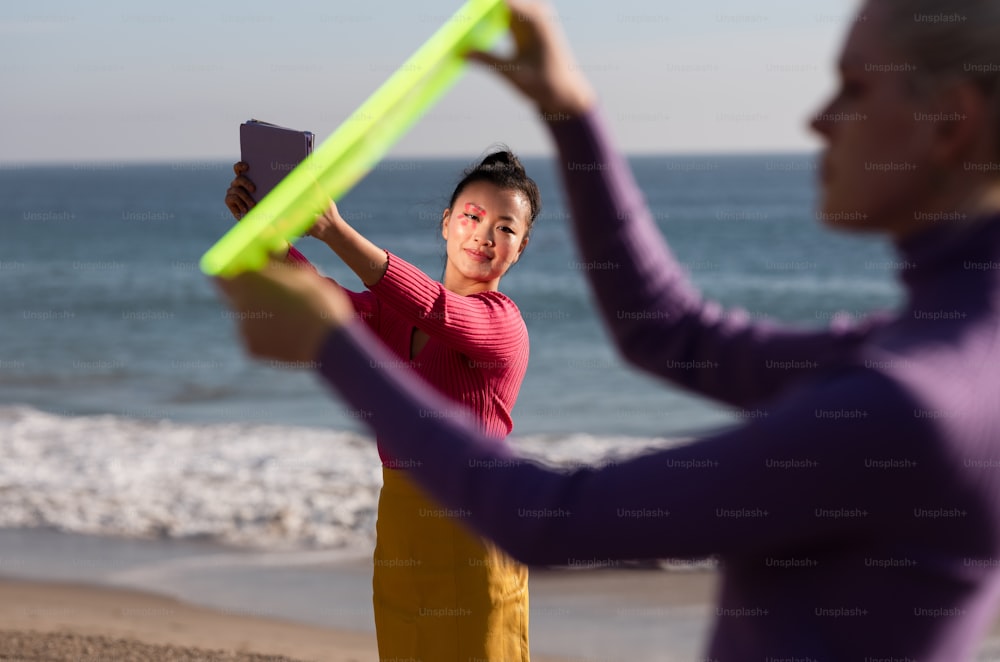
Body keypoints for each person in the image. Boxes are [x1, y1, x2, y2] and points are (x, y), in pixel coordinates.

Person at [216, 0, 1000, 659]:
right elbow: (672, 333)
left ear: (950, 122)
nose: (818, 119)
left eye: (855, 89)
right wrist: (568, 110)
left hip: (471, 548)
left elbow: (550, 518)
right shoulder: (944, 351)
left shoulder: (905, 402)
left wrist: (328, 343)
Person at [224, 150, 542, 661]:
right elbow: (318, 297)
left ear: (520, 247)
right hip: (402, 530)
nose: (484, 235)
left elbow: (435, 307)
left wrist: (332, 228)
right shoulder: (391, 318)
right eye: (472, 216)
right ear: (446, 223)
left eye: (505, 228)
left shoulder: (503, 324)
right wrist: (262, 230)